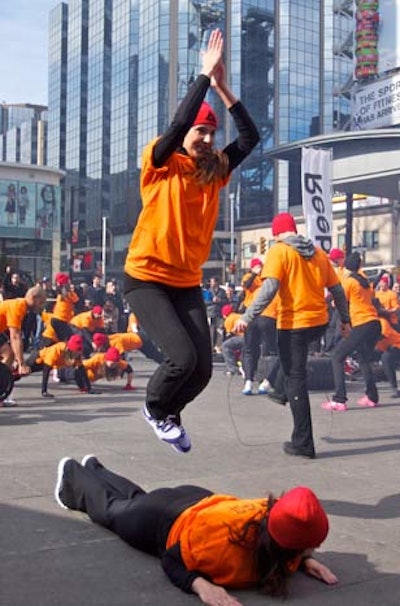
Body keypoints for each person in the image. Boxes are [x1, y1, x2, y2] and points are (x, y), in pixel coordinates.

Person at [123, 29, 259, 453]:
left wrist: (223, 88)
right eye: (199, 131)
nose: (204, 138)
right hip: (145, 278)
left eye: (210, 132)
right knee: (181, 358)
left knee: (203, 369)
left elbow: (250, 138)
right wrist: (202, 76)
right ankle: (154, 407)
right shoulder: (160, 162)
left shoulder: (216, 171)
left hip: (185, 282)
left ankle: (165, 413)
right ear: (186, 135)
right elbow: (177, 124)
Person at [55, 456, 337, 604]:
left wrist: (304, 560)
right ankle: (72, 472)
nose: (317, 549)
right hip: (163, 521)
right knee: (112, 511)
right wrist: (201, 585)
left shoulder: (269, 510)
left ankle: (95, 468)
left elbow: (284, 534)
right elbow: (172, 559)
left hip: (195, 499)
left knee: (136, 499)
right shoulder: (222, 547)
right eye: (311, 545)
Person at [235, 213, 350, 459]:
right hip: (319, 322)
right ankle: (280, 390)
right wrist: (346, 320)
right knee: (293, 368)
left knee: (295, 377)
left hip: (293, 324)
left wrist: (247, 316)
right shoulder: (318, 253)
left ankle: (303, 443)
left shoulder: (279, 251)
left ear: (277, 233)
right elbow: (338, 290)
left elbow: (269, 288)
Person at [321, 252, 381, 411]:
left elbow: (336, 303)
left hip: (362, 323)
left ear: (346, 266)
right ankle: (372, 397)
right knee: (363, 358)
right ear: (359, 266)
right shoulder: (366, 281)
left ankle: (339, 400)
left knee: (337, 357)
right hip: (375, 323)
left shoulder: (348, 282)